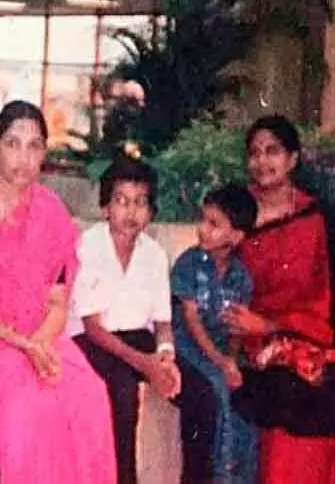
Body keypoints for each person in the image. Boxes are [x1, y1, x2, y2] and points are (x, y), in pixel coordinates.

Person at [0, 100, 116, 483]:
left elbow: (58, 302)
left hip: (41, 336)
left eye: (34, 146)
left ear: (44, 152)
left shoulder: (50, 211)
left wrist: (40, 344)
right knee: (26, 408)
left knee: (90, 394)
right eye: (13, 144)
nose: (24, 158)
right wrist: (22, 345)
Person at [70, 156, 218, 484]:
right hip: (93, 341)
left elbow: (162, 323)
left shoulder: (153, 254)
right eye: (121, 201)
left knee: (201, 393)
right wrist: (145, 365)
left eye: (140, 203)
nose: (131, 212)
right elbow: (93, 327)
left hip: (139, 338)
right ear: (105, 207)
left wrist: (164, 358)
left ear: (150, 212)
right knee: (123, 392)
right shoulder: (88, 246)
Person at [224, 115, 335, 484]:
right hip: (250, 339)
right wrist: (259, 328)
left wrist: (281, 326)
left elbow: (323, 293)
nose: (262, 161)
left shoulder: (316, 217)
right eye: (254, 153)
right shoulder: (235, 214)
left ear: (292, 159)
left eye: (272, 151)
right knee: (290, 390)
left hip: (310, 331)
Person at [172, 184, 259, 483]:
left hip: (220, 351)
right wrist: (221, 363)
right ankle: (219, 476)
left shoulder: (241, 276)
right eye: (203, 220)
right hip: (187, 348)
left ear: (236, 237)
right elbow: (192, 321)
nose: (203, 229)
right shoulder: (188, 264)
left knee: (248, 400)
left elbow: (236, 327)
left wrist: (231, 359)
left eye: (214, 224)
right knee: (217, 388)